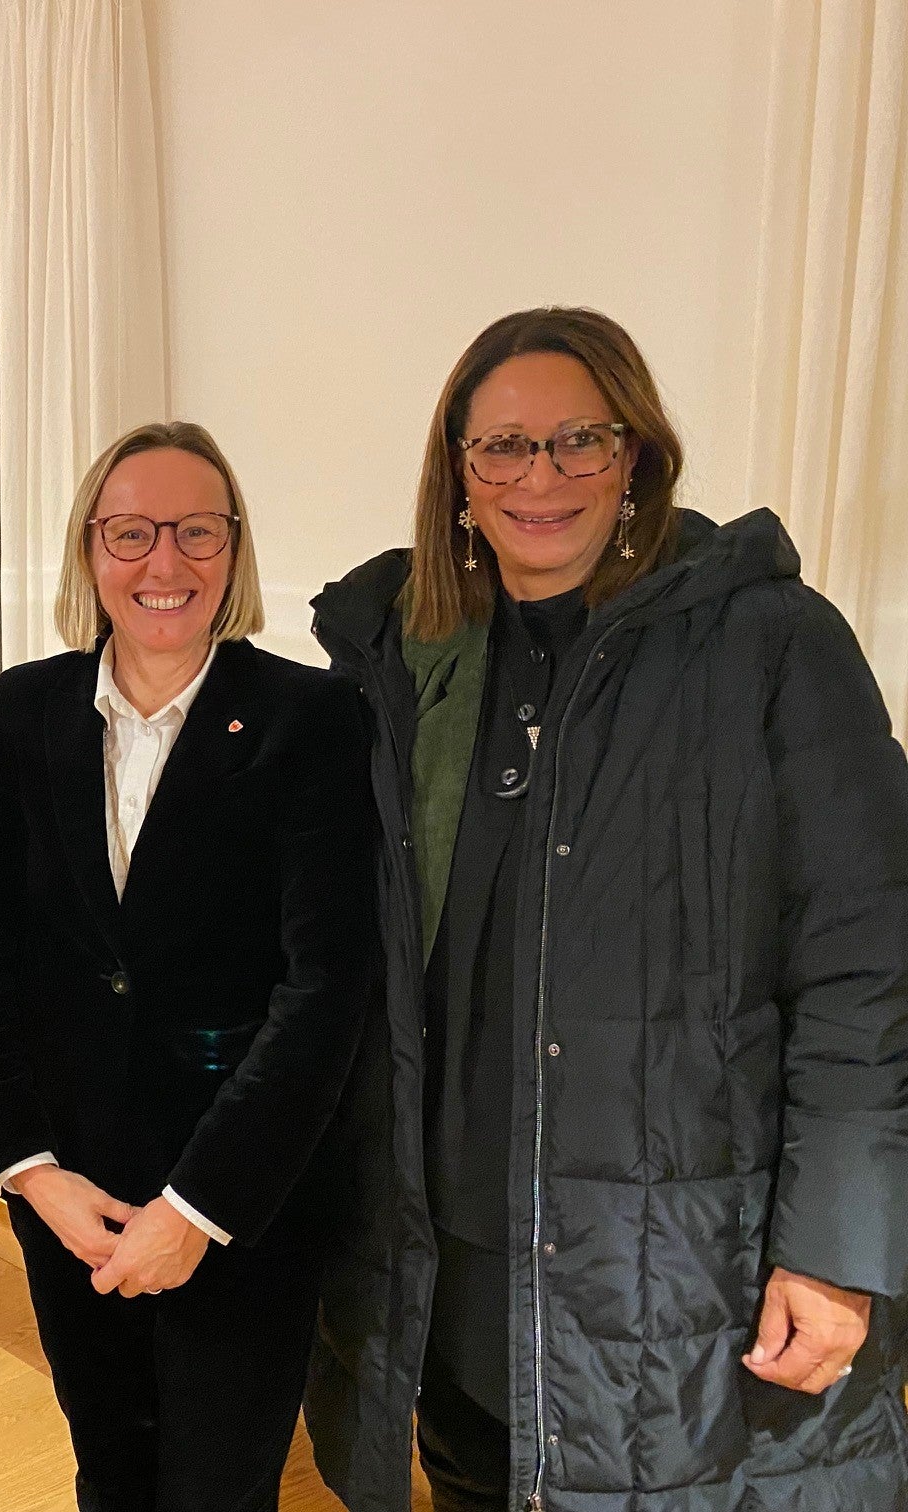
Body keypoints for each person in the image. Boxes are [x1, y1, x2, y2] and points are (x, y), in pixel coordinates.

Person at [305, 306, 908, 1511]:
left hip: (685, 1290)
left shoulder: (769, 646)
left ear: (634, 455)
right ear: (458, 476)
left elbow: (868, 965)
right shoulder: (403, 663)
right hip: (451, 1281)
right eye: (503, 447)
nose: (541, 477)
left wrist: (838, 1249)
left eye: (579, 439)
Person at [0, 420, 380, 1511]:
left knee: (219, 1489)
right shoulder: (25, 709)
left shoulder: (311, 717)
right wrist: (30, 1172)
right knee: (109, 1471)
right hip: (70, 1195)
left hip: (240, 1202)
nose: (164, 561)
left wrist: (196, 1207)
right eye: (132, 532)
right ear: (90, 549)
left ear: (234, 548)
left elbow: (325, 989)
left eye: (197, 531)